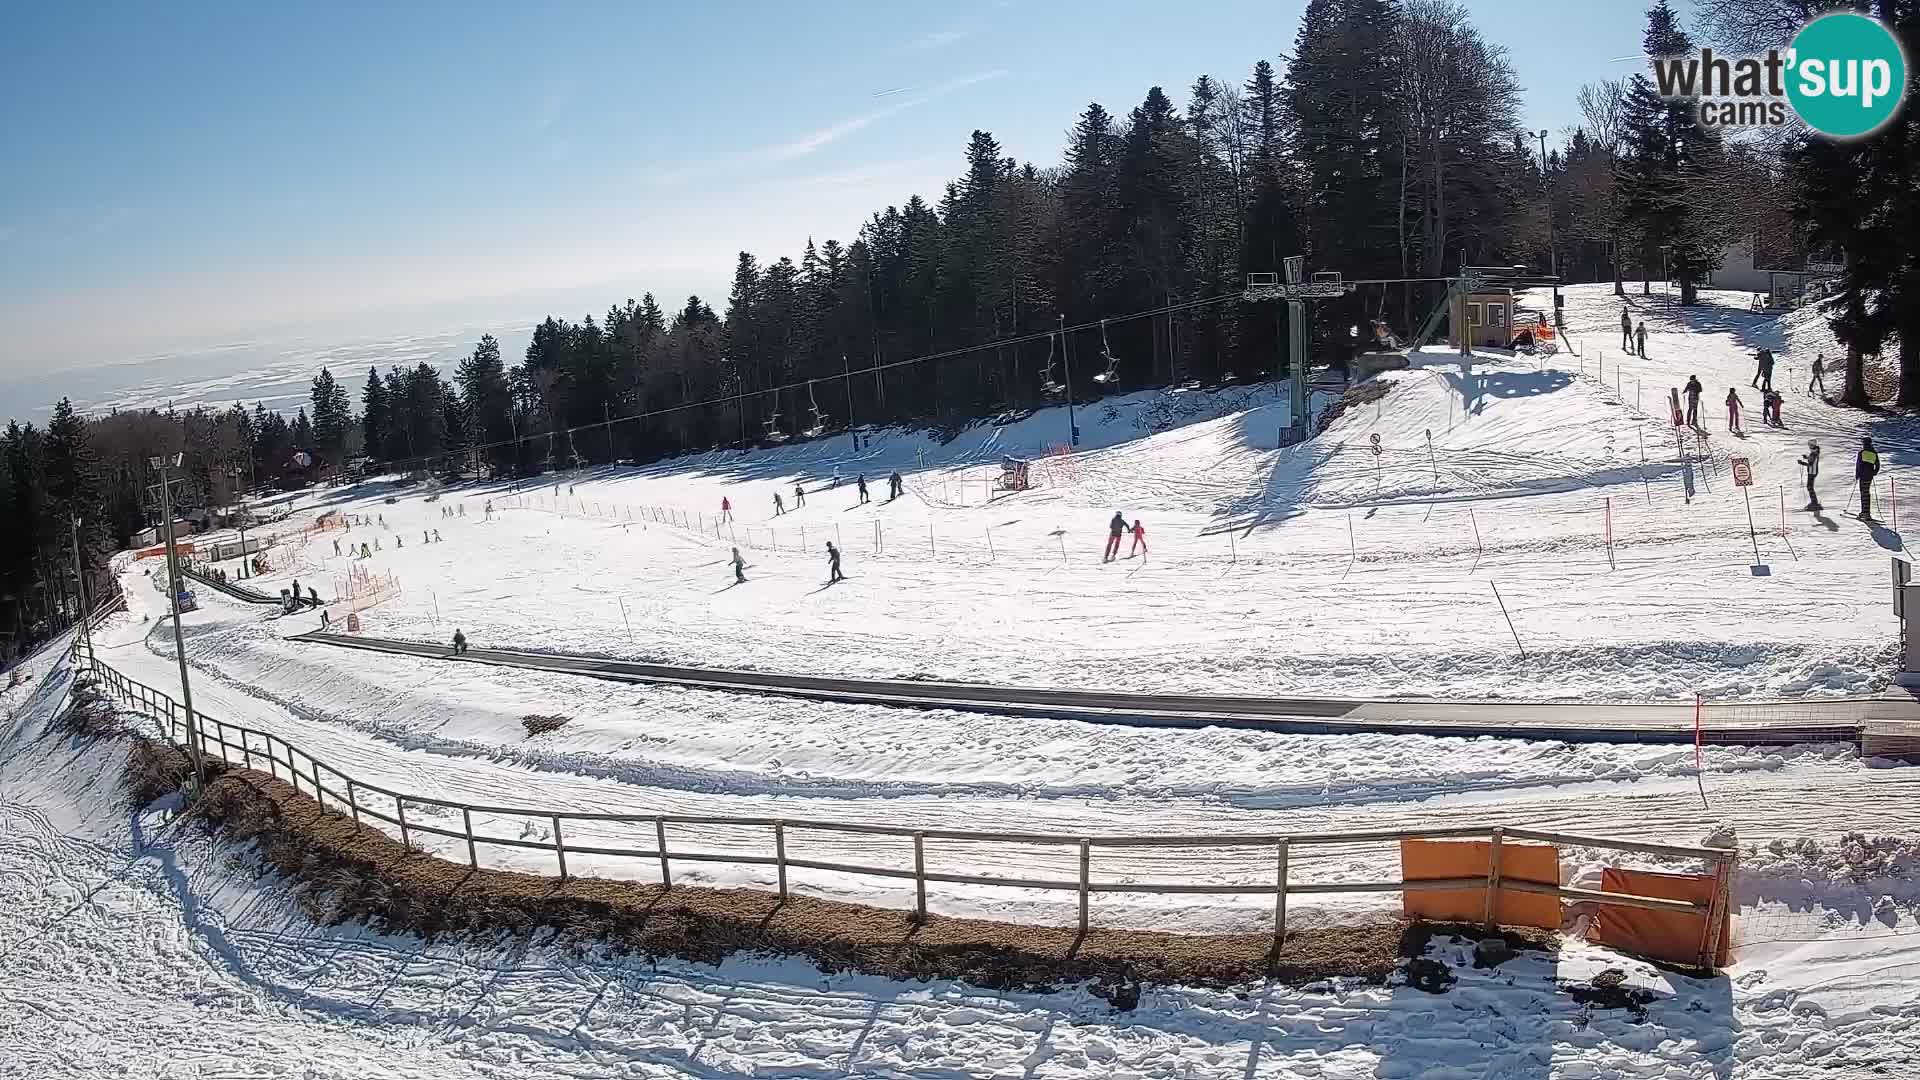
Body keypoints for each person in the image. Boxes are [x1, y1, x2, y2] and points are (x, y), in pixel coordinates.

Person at [1857, 437, 1881, 520]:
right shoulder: (1874, 453)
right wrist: (1874, 472)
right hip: (1869, 476)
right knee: (1866, 492)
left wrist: (1857, 475)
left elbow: (1858, 465)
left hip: (1863, 476)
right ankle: (1866, 512)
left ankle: (1865, 513)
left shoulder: (1862, 453)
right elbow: (1877, 464)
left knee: (1863, 493)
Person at [1799, 440, 1822, 511]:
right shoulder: (1815, 452)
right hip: (1813, 472)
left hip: (1812, 472)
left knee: (1810, 487)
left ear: (1812, 445)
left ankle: (1814, 503)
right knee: (1810, 487)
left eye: (1810, 445)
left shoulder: (1814, 453)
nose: (1809, 446)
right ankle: (1814, 502)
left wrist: (1802, 463)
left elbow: (1811, 464)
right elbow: (1811, 460)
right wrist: (1806, 458)